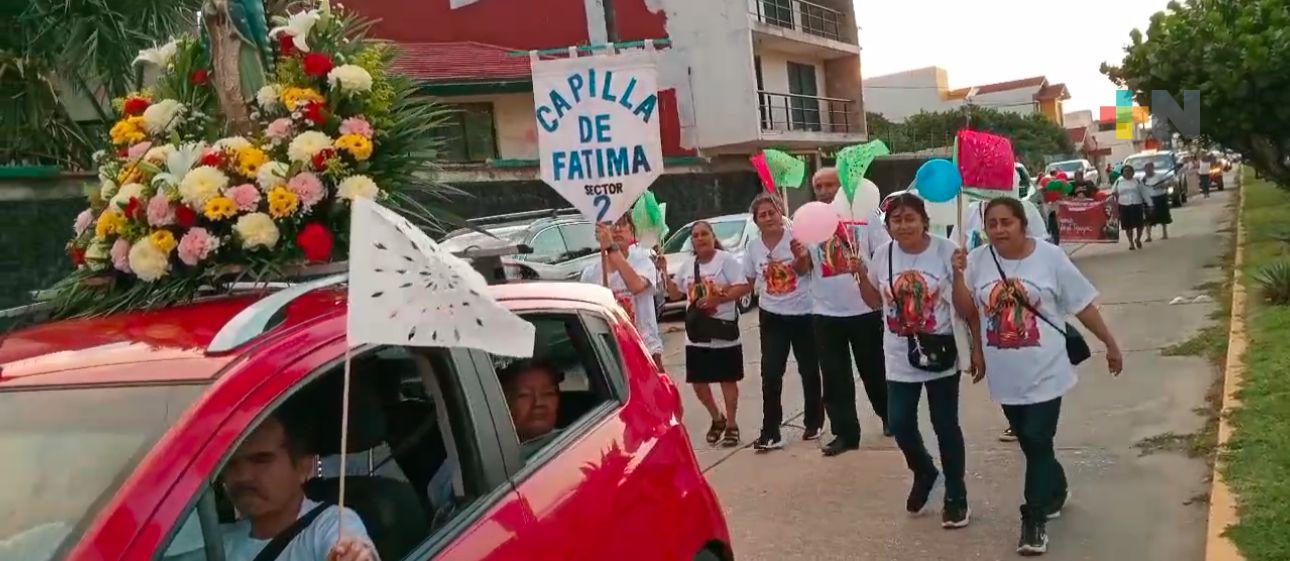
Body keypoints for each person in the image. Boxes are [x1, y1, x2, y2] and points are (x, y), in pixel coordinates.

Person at [955, 197, 1124, 556]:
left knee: (1035, 435)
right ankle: (1057, 489)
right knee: (1035, 444)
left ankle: (1034, 520)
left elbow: (1082, 304)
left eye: (1006, 222)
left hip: (1046, 367)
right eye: (992, 223)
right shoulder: (978, 261)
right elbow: (969, 311)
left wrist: (1109, 343)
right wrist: (957, 276)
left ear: (1022, 224)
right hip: (1004, 373)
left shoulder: (1050, 258)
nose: (999, 229)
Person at [856, 193, 974, 528]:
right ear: (889, 225)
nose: (904, 225)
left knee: (945, 425)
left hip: (940, 351)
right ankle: (924, 471)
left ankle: (956, 494)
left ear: (924, 220)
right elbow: (872, 303)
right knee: (901, 423)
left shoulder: (946, 251)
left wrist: (960, 275)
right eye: (897, 220)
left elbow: (966, 308)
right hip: (898, 354)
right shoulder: (883, 255)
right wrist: (859, 274)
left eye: (910, 218)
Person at [807, 168, 890, 457]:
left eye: (831, 184)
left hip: (864, 308)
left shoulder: (865, 216)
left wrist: (866, 273)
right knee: (834, 376)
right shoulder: (808, 221)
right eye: (819, 186)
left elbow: (884, 254)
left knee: (874, 370)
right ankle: (845, 433)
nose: (825, 190)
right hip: (824, 312)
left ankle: (889, 416)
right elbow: (804, 267)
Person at [220, 409, 377, 561]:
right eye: (231, 463)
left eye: (261, 460)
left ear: (304, 466)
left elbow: (351, 549)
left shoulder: (330, 525)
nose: (242, 476)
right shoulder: (215, 541)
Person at [662, 221, 751, 448]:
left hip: (722, 328)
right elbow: (674, 294)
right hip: (697, 334)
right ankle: (716, 418)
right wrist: (662, 271)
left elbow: (743, 287)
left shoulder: (726, 261)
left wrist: (717, 300)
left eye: (704, 234)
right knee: (699, 383)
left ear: (713, 237)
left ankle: (732, 424)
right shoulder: (688, 265)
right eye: (695, 235)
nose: (700, 238)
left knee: (727, 379)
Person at [744, 192, 822, 451]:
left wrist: (799, 256)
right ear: (756, 221)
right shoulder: (753, 247)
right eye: (762, 215)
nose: (768, 218)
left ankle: (814, 421)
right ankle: (771, 430)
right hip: (772, 315)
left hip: (803, 312)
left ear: (781, 214)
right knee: (771, 372)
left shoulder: (797, 239)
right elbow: (748, 281)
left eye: (771, 212)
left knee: (809, 369)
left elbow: (805, 270)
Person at [581, 214, 664, 368]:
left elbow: (636, 286)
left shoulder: (644, 261)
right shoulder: (590, 274)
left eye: (622, 224)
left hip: (646, 349)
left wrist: (611, 248)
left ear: (632, 231)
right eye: (611, 224)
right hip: (611, 353)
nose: (617, 229)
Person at [1111, 164, 1152, 250]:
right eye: (1126, 171)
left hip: (1137, 204)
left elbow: (1144, 192)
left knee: (1140, 225)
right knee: (1128, 226)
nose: (1128, 173)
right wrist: (1118, 198)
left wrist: (1149, 203)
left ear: (1133, 173)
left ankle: (1138, 239)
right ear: (1122, 173)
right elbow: (1113, 191)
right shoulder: (1119, 181)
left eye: (1130, 171)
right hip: (1124, 205)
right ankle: (1131, 243)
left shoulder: (1137, 181)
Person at [1141, 161, 1171, 242]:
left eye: (1150, 168)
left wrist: (1161, 186)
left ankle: (1165, 233)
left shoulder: (1159, 176)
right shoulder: (1144, 179)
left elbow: (1168, 184)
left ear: (1153, 168)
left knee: (1163, 217)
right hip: (1149, 199)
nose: (1148, 170)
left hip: (1160, 197)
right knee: (1148, 219)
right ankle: (1148, 236)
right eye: (1146, 169)